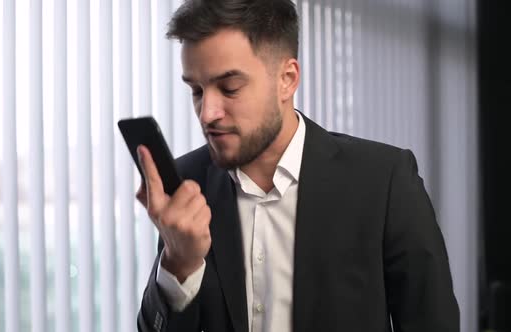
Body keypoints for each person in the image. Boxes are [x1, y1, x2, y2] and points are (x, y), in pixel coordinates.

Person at [135, 0, 459, 331]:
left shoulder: (384, 181)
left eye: (229, 88)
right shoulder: (188, 186)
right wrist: (179, 263)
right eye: (196, 91)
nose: (207, 113)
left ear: (287, 80)